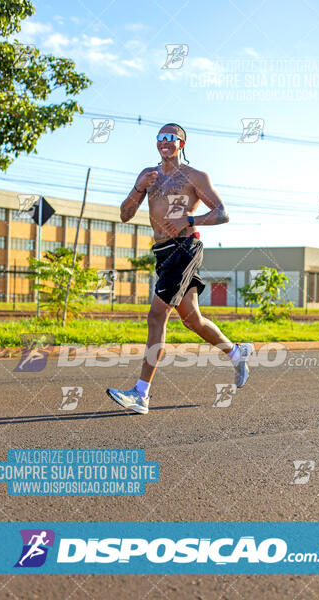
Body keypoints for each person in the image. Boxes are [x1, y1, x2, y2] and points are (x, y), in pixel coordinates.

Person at [107, 123, 254, 414]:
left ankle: (141, 394)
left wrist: (189, 221)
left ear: (181, 144)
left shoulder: (194, 177)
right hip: (162, 252)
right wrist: (139, 188)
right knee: (192, 319)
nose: (164, 141)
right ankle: (237, 353)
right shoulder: (147, 175)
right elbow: (125, 215)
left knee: (156, 315)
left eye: (171, 138)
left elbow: (222, 213)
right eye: (160, 137)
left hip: (185, 248)